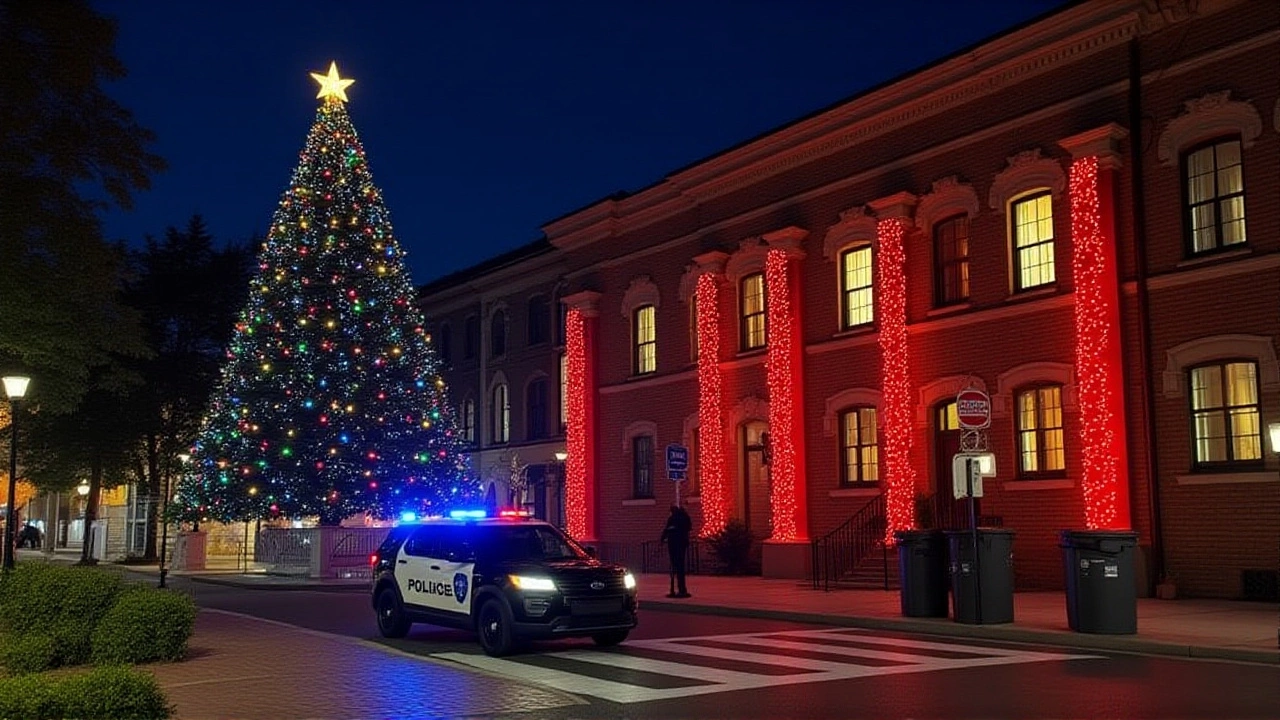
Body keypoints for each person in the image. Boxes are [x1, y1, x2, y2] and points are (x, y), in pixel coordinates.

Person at [659, 504, 692, 598]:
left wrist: (662, 539)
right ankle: (682, 589)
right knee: (681, 566)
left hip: (674, 544)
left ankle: (675, 589)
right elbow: (689, 528)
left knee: (675, 566)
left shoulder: (673, 518)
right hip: (682, 544)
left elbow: (667, 530)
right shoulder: (685, 517)